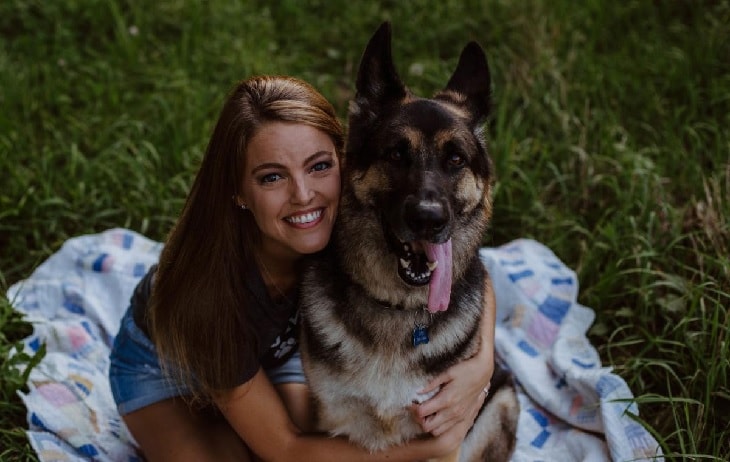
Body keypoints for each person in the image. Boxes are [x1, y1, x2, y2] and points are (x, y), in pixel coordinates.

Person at [108, 75, 495, 461]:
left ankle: (247, 410)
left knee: (319, 437)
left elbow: (464, 269)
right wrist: (434, 447)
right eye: (272, 177)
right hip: (165, 366)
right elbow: (287, 449)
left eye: (319, 166)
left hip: (271, 353)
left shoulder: (346, 215)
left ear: (344, 157)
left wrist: (482, 364)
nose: (304, 195)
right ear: (238, 190)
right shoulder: (212, 299)